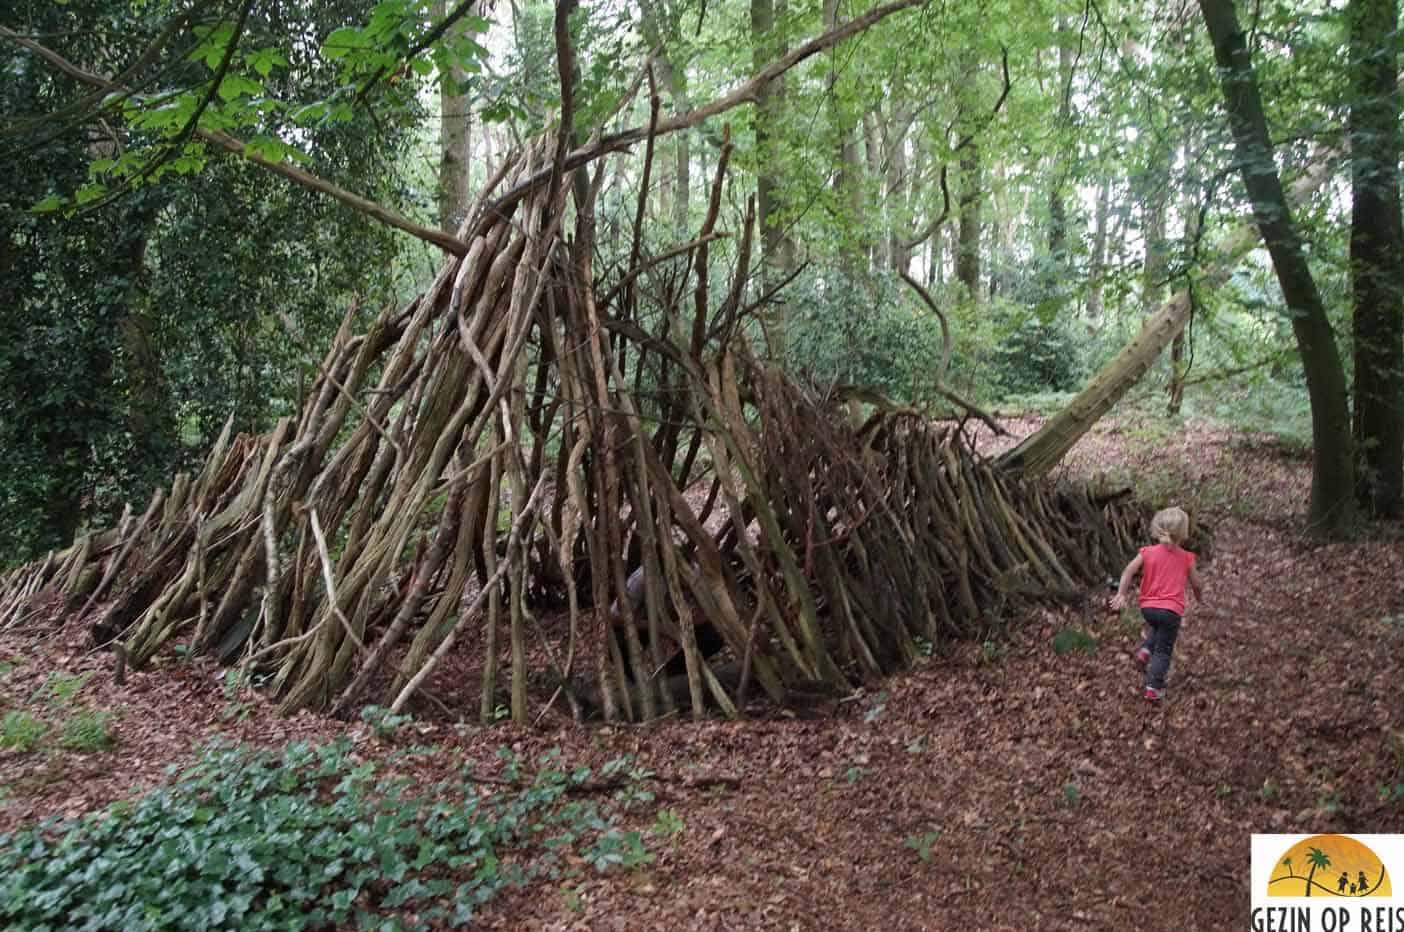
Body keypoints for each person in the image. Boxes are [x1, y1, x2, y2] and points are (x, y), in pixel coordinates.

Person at [1109, 506, 1205, 701]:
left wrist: (1121, 594)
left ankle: (1145, 651)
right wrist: (1199, 597)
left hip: (1148, 608)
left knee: (1158, 628)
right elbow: (1197, 583)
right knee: (1163, 651)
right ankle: (1154, 687)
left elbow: (1128, 571)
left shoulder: (1147, 552)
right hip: (1171, 610)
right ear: (1183, 533)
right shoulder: (1187, 558)